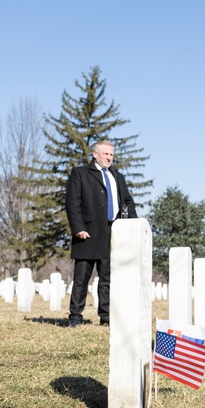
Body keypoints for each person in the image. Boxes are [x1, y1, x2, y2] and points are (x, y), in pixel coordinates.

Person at [65, 140, 136, 328]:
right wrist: (78, 227)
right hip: (87, 234)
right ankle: (75, 317)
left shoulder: (118, 177)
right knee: (81, 279)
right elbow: (72, 203)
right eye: (106, 154)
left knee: (107, 279)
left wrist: (131, 227)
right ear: (95, 154)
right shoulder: (80, 174)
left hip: (112, 235)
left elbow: (127, 201)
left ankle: (106, 317)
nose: (109, 158)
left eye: (111, 155)